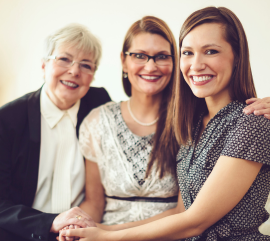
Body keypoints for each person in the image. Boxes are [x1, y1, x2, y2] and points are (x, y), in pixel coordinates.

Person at [60, 7, 270, 241]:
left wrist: (105, 237)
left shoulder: (253, 122)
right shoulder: (191, 124)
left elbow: (195, 221)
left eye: (210, 51)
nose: (196, 64)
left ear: (237, 56)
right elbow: (182, 211)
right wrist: (94, 230)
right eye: (188, 53)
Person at [0, 23, 111, 241]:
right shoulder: (8, 120)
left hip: (81, 232)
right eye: (64, 59)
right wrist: (50, 222)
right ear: (43, 65)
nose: (74, 71)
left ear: (93, 75)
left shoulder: (99, 106)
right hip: (23, 232)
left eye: (86, 65)